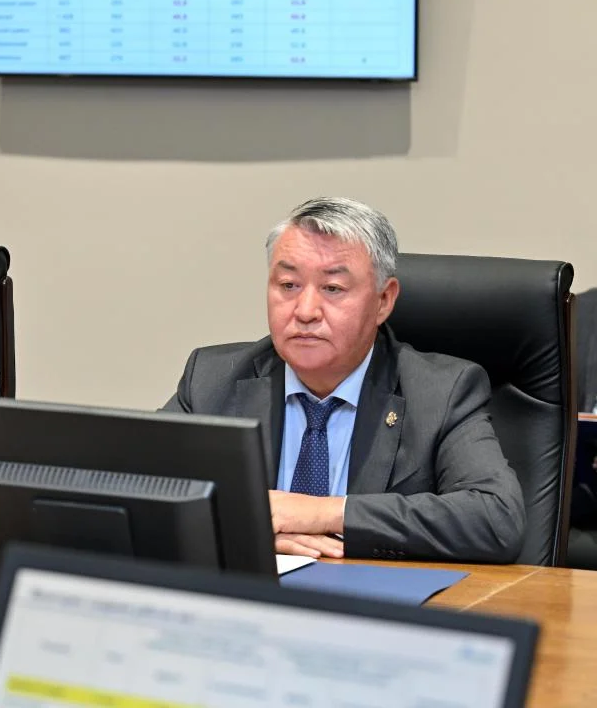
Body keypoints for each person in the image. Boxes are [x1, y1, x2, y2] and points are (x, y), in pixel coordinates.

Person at [163, 197, 525, 563]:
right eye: (288, 285)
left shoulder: (441, 392)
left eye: (332, 288)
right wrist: (248, 529)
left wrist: (323, 513)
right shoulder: (212, 379)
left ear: (384, 300)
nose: (305, 311)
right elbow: (137, 487)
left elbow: (496, 520)